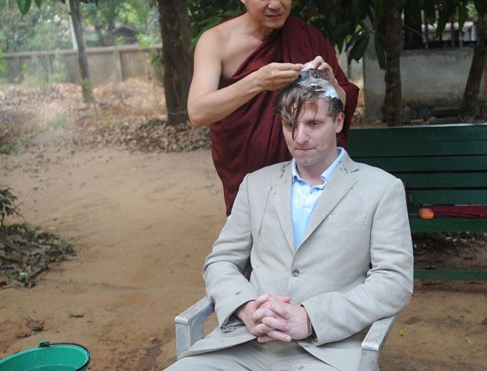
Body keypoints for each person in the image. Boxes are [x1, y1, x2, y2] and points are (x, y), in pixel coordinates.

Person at [166, 69, 413, 371]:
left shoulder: (382, 188)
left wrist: (310, 318)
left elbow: (394, 281)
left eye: (313, 124)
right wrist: (246, 308)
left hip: (326, 351)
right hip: (241, 345)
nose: (299, 138)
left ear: (338, 122)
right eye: (289, 124)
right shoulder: (255, 184)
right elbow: (221, 262)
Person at [187, 0, 360, 215]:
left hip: (309, 178)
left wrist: (333, 85)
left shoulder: (308, 37)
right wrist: (257, 81)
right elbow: (198, 112)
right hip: (248, 178)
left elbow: (343, 104)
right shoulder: (216, 42)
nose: (276, 4)